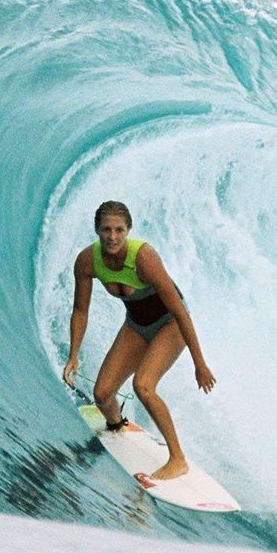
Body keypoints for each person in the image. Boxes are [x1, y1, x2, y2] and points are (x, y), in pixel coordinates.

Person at [60, 200, 216, 482]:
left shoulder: (143, 258)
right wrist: (73, 355)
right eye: (106, 229)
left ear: (128, 230)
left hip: (171, 325)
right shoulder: (87, 261)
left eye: (119, 230)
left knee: (143, 386)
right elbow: (80, 310)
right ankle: (116, 426)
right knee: (102, 394)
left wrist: (200, 363)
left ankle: (178, 459)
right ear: (97, 230)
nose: (112, 236)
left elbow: (180, 312)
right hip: (136, 326)